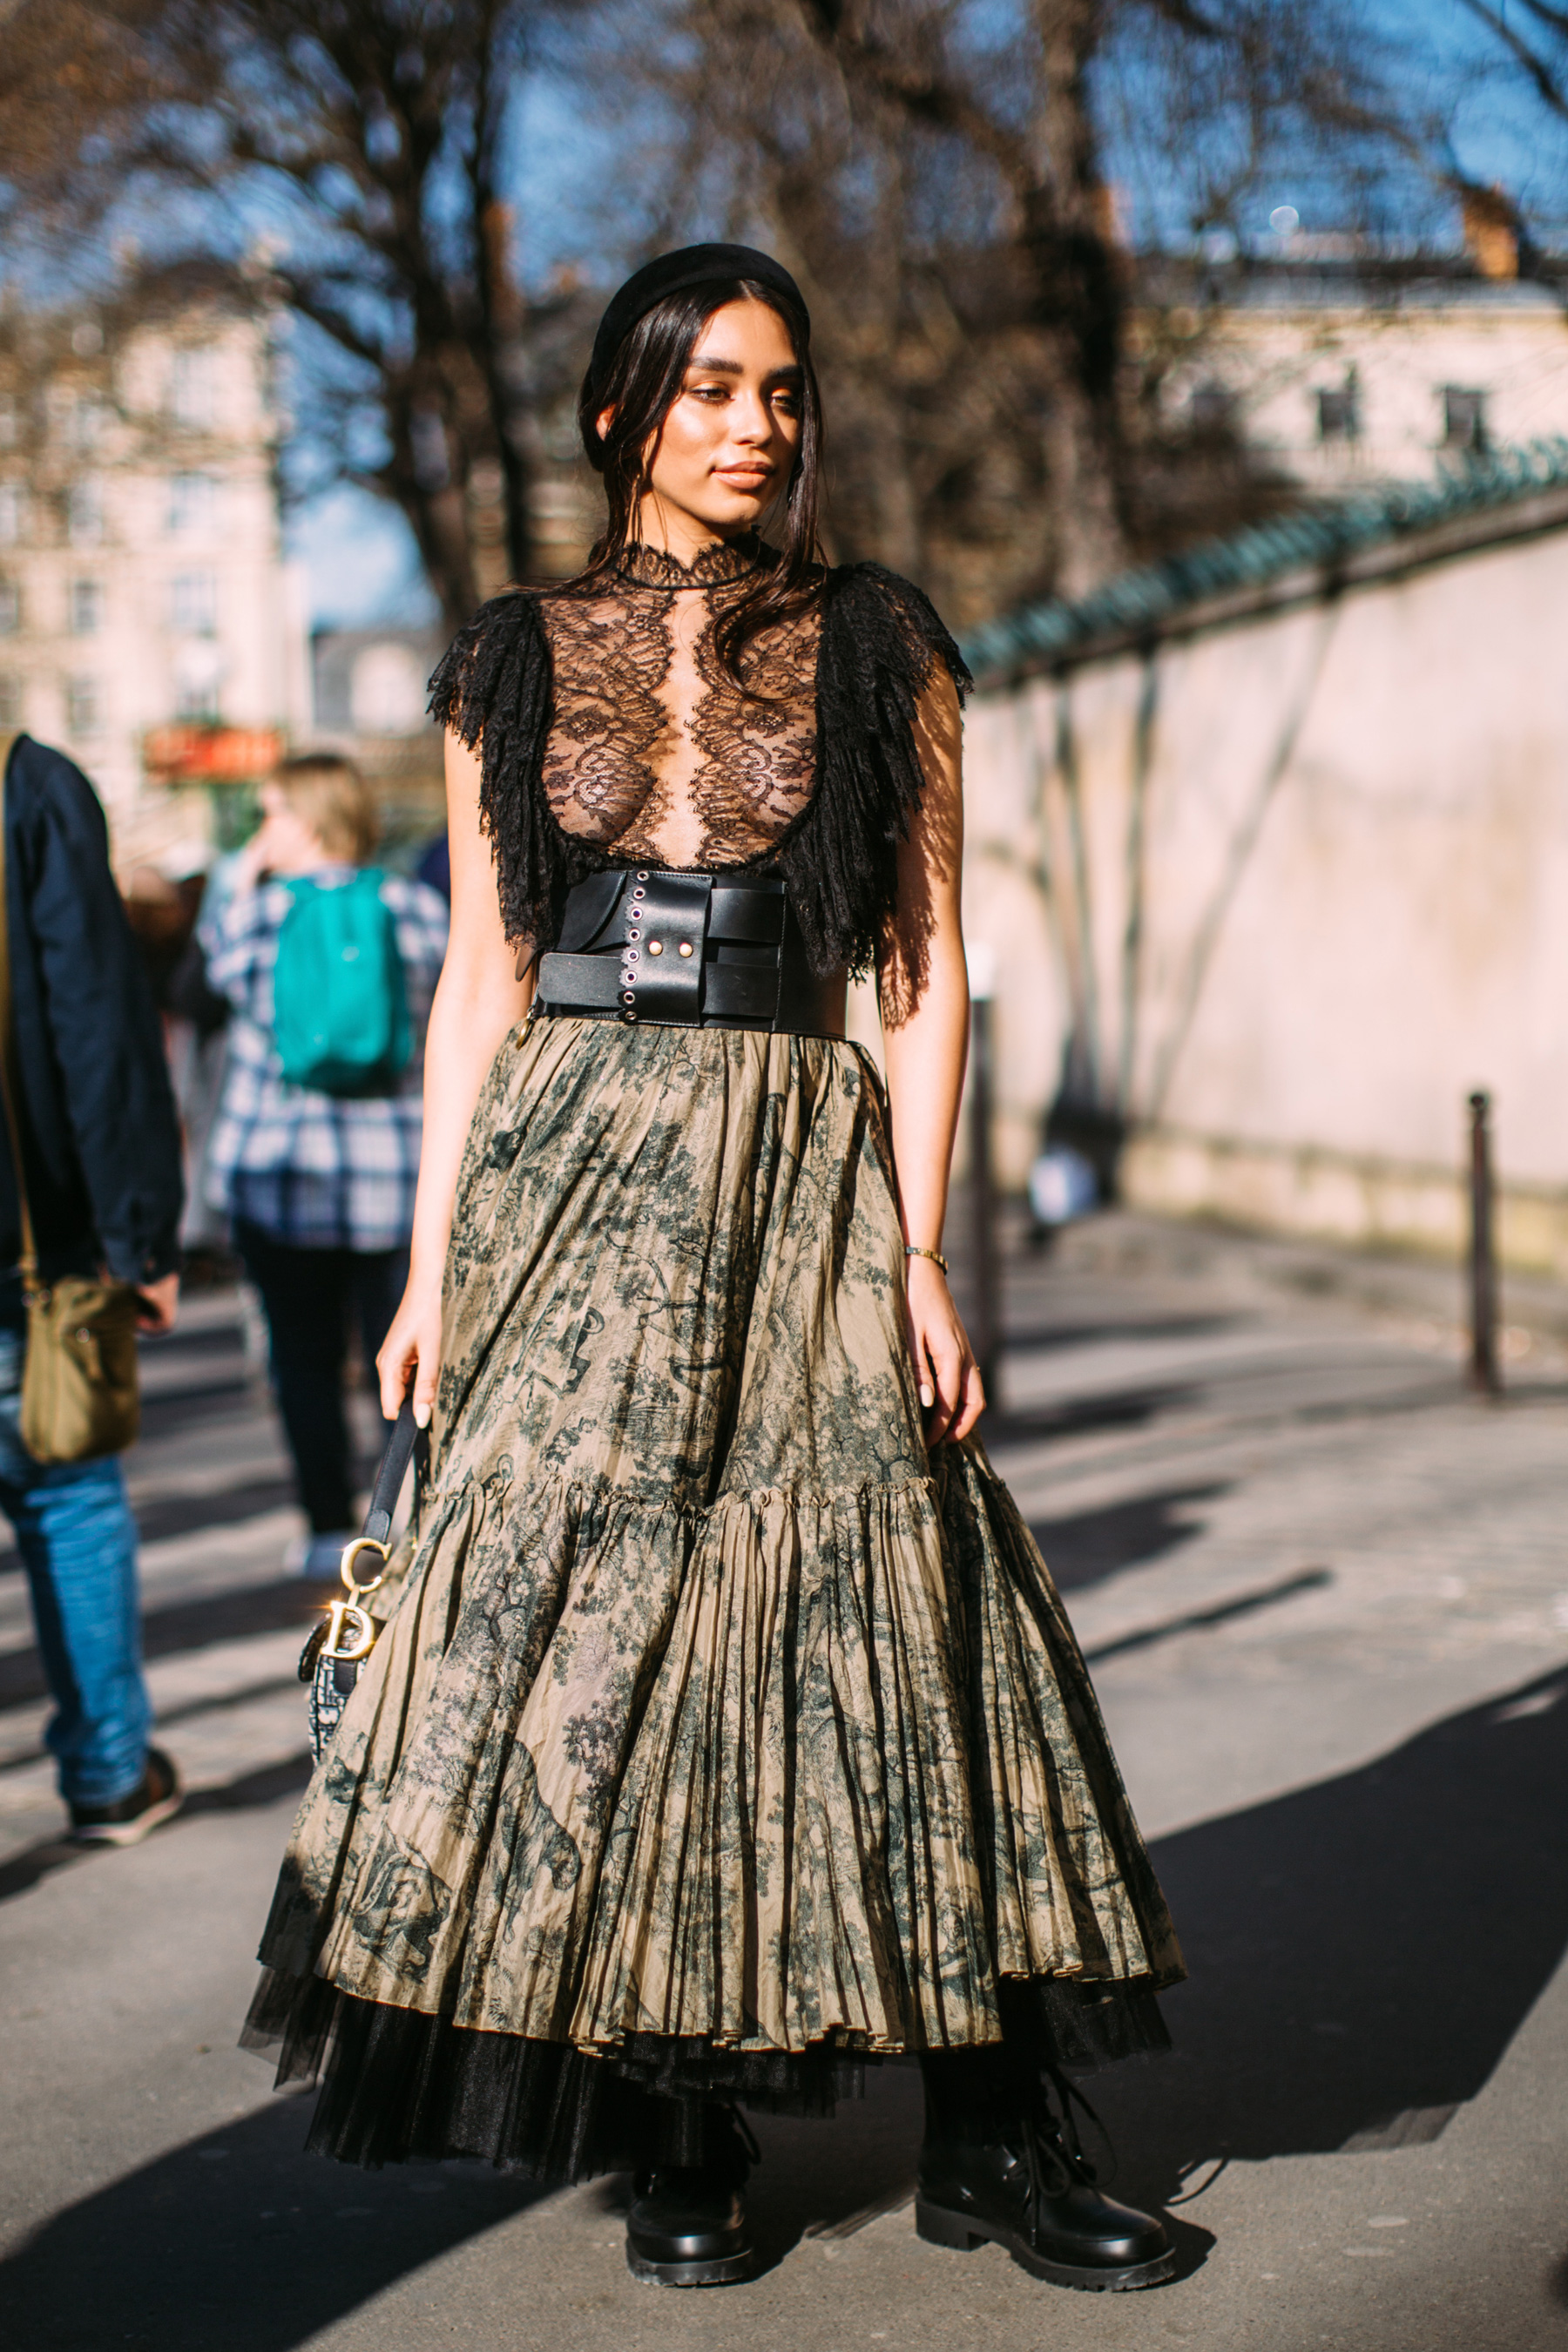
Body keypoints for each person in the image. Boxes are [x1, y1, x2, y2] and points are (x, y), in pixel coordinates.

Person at [243, 247, 1185, 2295]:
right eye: (716, 388)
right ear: (623, 411)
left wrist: (925, 1245)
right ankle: (680, 2120)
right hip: (570, 1173)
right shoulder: (514, 657)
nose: (760, 424)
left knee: (900, 1618)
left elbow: (922, 968)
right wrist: (431, 1264)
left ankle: (997, 2131)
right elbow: (482, 986)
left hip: (799, 1158)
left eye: (785, 390)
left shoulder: (878, 641)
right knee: (613, 1651)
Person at [0, 733, 185, 1844]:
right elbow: (96, 1027)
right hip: (32, 1249)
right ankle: (111, 1772)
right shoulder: (28, 789)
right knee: (67, 1498)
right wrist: (141, 1234)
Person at [202, 757, 448, 1578]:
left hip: (283, 1176)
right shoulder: (412, 906)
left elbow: (217, 981)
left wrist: (239, 878)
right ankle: (400, 1523)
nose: (260, 832)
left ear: (304, 821)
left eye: (270, 815)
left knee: (300, 1359)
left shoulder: (257, 916)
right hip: (399, 1181)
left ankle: (320, 1526)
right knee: (402, 1363)